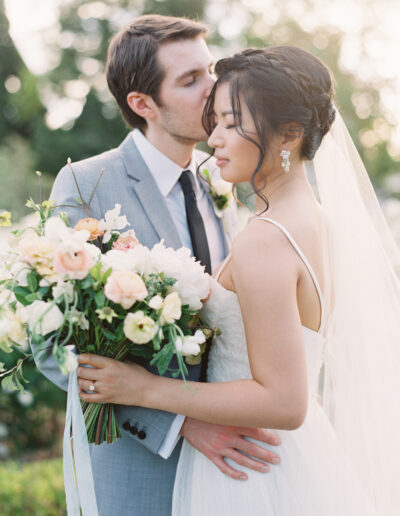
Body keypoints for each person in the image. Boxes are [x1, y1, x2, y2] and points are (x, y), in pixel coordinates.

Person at [78, 46, 400, 515]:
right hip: (290, 456)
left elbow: (285, 401)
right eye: (218, 122)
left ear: (289, 134)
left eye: (232, 123)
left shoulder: (266, 239)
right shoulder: (315, 221)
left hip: (251, 469)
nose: (215, 139)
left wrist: (141, 389)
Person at [31, 16, 281, 516]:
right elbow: (51, 346)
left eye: (209, 71)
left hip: (234, 471)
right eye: (190, 81)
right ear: (142, 104)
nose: (214, 91)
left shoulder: (221, 177)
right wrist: (182, 424)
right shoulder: (85, 185)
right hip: (142, 473)